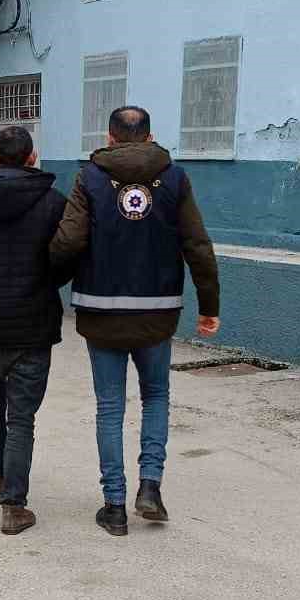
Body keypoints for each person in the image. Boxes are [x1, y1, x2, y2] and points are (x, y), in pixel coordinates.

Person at [49, 105, 220, 536]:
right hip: (157, 312)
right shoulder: (175, 178)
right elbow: (197, 244)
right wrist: (209, 305)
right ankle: (150, 487)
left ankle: (114, 507)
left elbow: (69, 240)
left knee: (110, 407)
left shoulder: (89, 177)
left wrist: (45, 281)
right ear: (149, 137)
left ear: (109, 138)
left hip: (101, 310)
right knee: (155, 396)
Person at [0, 124, 67, 536]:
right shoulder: (54, 202)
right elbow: (68, 252)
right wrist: (46, 283)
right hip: (34, 324)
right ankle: (14, 505)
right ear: (32, 157)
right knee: (21, 418)